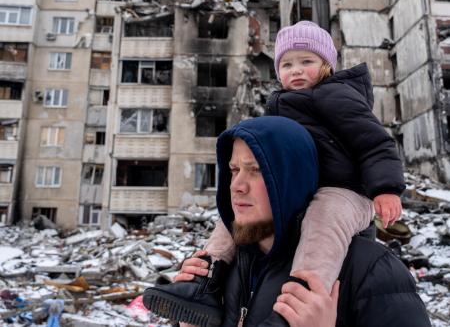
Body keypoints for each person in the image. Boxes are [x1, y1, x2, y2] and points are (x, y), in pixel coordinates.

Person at [144, 21, 406, 323]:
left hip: (345, 193)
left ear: (326, 66)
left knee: (324, 216)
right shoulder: (280, 105)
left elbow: (374, 143)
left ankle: (300, 297)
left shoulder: (336, 95)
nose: (295, 70)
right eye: (286, 64)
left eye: (306, 61)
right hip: (302, 191)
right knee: (234, 215)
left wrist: (385, 188)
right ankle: (205, 280)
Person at [144, 117, 430, 327]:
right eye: (234, 170)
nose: (237, 186)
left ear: (292, 180)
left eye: (256, 170)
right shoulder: (228, 269)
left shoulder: (371, 270)